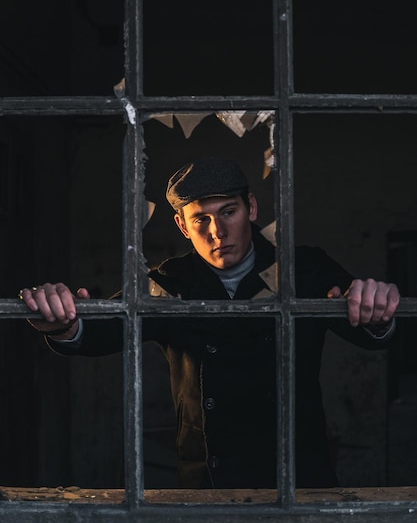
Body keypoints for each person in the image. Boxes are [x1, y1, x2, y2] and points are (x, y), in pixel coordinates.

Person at [20, 157, 399, 489]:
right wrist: (63, 320)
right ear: (183, 227)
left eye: (228, 212)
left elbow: (370, 332)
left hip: (299, 476)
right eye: (201, 219)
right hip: (210, 483)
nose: (217, 232)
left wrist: (374, 306)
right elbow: (100, 330)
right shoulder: (167, 282)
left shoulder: (306, 268)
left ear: (250, 207)